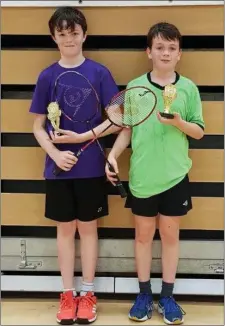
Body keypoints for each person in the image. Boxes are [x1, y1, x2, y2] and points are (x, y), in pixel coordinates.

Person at [105, 22, 205, 325]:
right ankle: (144, 294)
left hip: (175, 178)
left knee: (171, 238)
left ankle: (168, 296)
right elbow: (127, 129)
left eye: (171, 48)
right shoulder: (135, 87)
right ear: (149, 52)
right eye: (159, 47)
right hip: (142, 179)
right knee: (143, 237)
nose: (165, 52)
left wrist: (177, 123)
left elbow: (199, 132)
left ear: (179, 54)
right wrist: (112, 154)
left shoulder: (188, 89)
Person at [29, 7, 120, 325]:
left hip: (92, 168)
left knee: (89, 230)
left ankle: (89, 293)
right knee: (65, 231)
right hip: (58, 170)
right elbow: (38, 126)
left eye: (74, 33)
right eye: (62, 34)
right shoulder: (46, 76)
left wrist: (85, 135)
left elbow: (119, 120)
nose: (69, 39)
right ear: (54, 37)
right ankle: (67, 294)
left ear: (84, 35)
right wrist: (54, 154)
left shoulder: (100, 73)